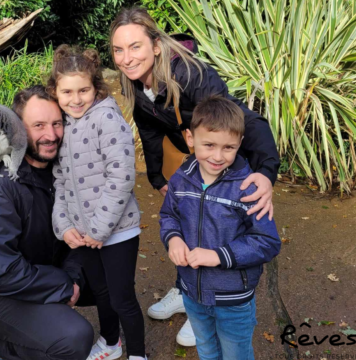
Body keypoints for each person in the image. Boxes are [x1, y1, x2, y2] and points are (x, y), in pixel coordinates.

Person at [109, 6, 280, 345]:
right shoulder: (136, 83)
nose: (126, 58)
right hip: (189, 156)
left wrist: (265, 173)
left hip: (223, 157)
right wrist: (159, 180)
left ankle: (207, 304)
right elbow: (150, 132)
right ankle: (185, 291)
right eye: (118, 50)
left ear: (155, 45)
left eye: (135, 46)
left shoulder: (191, 75)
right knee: (187, 221)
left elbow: (242, 119)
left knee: (219, 226)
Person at [0, 86, 93, 360]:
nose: (51, 135)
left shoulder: (60, 172)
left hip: (36, 268)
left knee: (112, 275)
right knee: (74, 337)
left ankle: (40, 326)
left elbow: (78, 234)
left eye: (57, 124)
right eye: (38, 125)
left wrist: (73, 278)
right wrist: (64, 286)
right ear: (17, 128)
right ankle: (9, 349)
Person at [159, 95, 281, 359]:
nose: (217, 156)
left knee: (236, 354)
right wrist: (173, 239)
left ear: (240, 144)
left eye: (228, 147)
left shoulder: (248, 187)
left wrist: (217, 256)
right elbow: (169, 215)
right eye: (209, 145)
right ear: (191, 139)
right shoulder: (181, 179)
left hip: (233, 299)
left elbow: (267, 242)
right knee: (205, 348)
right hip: (192, 291)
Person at [48, 45, 146, 360]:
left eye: (84, 90)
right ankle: (110, 342)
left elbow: (121, 178)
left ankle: (139, 354)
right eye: (67, 92)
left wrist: (99, 229)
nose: (76, 99)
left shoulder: (106, 119)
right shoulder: (62, 123)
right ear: (56, 91)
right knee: (102, 293)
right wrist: (64, 225)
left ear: (96, 87)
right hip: (84, 233)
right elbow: (60, 181)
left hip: (116, 231)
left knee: (122, 297)